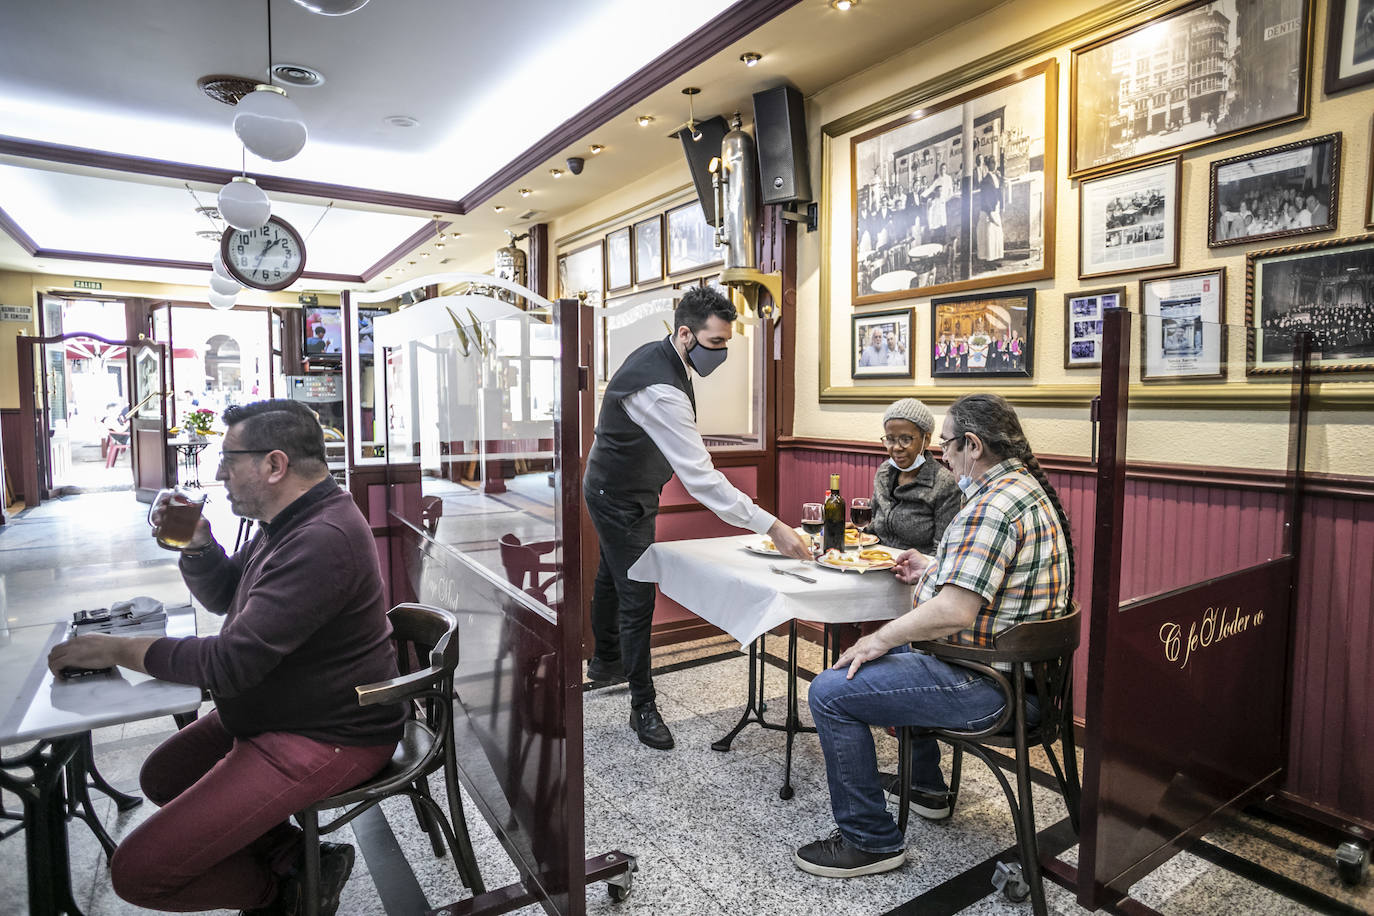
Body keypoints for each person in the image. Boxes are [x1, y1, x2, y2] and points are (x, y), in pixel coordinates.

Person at [48, 399, 406, 914]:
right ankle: (292, 856)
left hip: (328, 733)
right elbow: (225, 595)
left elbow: (228, 664)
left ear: (274, 464)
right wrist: (197, 544)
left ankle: (280, 894)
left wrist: (119, 648)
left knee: (138, 873)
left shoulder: (321, 538)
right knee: (163, 776)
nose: (219, 473)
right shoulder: (291, 521)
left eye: (229, 459)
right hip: (280, 711)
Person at [794, 393, 1074, 878]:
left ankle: (871, 840)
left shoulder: (992, 505)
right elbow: (983, 582)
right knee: (900, 650)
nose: (943, 454)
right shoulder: (1025, 489)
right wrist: (931, 565)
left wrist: (874, 639)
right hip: (1030, 682)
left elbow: (953, 610)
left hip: (994, 689)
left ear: (972, 444)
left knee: (830, 690)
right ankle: (925, 787)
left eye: (946, 443)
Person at [583, 287, 810, 750]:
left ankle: (605, 661)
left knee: (613, 574)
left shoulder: (665, 357)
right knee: (636, 590)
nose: (721, 353)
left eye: (727, 343)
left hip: (627, 487)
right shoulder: (661, 386)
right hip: (616, 495)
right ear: (685, 334)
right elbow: (702, 481)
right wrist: (773, 525)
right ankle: (642, 704)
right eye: (714, 343)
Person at [869, 398, 960, 554]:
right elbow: (873, 525)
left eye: (906, 439)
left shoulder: (945, 484)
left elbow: (942, 550)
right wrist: (856, 529)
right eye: (890, 439)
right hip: (874, 561)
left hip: (915, 573)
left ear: (926, 440)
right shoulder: (884, 473)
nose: (896, 448)